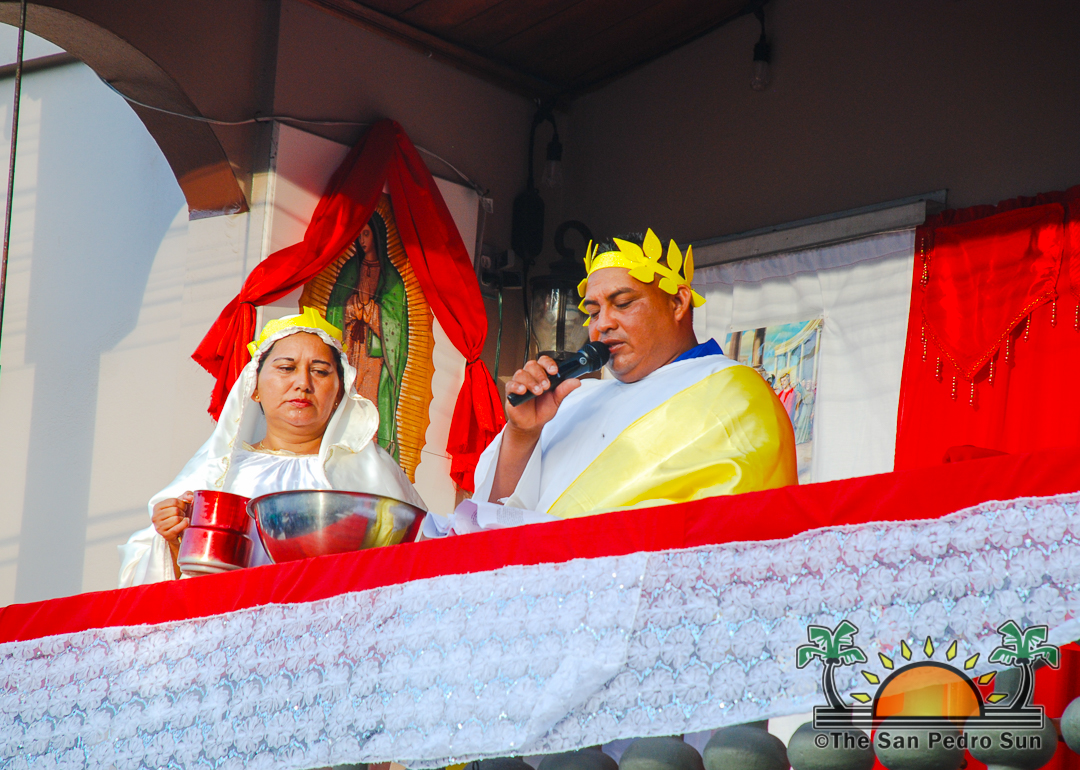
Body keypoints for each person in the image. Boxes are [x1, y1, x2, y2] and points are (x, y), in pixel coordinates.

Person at [472, 229, 797, 520]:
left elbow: (736, 526)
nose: (603, 324)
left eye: (623, 303)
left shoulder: (735, 392)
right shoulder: (571, 401)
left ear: (678, 302)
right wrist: (522, 435)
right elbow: (493, 522)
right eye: (594, 312)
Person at [118, 308, 425, 586]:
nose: (303, 383)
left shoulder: (371, 471)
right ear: (254, 388)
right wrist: (173, 541)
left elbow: (419, 563)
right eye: (286, 368)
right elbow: (148, 588)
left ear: (339, 394)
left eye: (320, 371)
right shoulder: (218, 471)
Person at [326, 217, 409, 462]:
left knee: (368, 404)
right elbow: (335, 311)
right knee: (346, 397)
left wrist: (372, 312)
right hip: (350, 349)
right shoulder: (349, 270)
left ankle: (367, 456)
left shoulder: (391, 278)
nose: (362, 240)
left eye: (366, 234)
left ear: (377, 235)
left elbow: (397, 326)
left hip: (374, 358)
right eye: (359, 234)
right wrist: (351, 308)